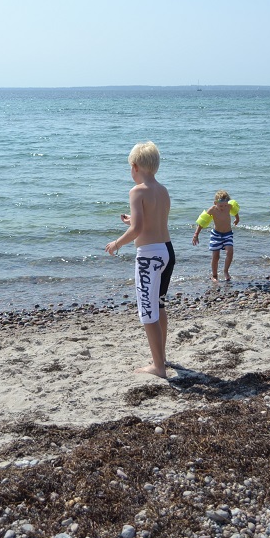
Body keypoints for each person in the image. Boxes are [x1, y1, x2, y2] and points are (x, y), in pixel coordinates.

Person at [105, 142, 175, 379]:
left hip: (149, 256)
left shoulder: (137, 191)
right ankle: (161, 357)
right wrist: (132, 221)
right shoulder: (163, 190)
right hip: (167, 251)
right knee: (159, 305)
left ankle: (158, 367)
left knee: (147, 311)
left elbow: (137, 230)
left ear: (134, 166)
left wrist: (117, 243)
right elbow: (153, 221)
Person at [192, 190, 240, 282]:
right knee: (216, 256)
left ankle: (226, 271)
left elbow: (235, 211)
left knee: (230, 252)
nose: (223, 207)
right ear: (215, 203)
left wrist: (237, 219)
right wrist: (196, 234)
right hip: (216, 235)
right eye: (221, 206)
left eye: (225, 205)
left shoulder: (229, 206)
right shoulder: (212, 210)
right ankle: (214, 275)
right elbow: (202, 222)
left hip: (228, 234)